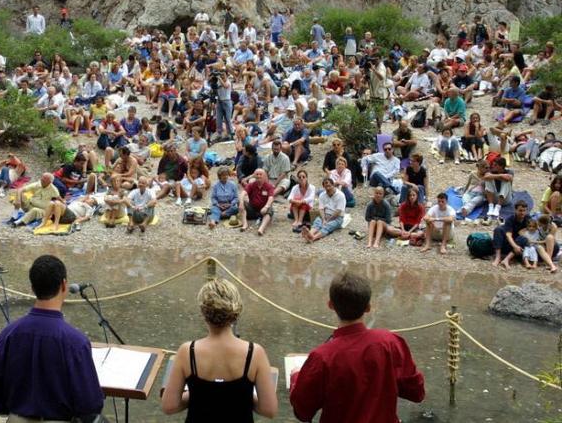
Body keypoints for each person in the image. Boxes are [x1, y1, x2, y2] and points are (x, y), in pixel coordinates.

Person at [0, 255, 104, 422]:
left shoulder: (9, 334)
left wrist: (15, 410)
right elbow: (90, 403)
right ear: (64, 285)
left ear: (32, 287)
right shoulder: (75, 342)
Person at [289, 272, 425, 422]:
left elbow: (302, 412)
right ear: (368, 308)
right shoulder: (391, 342)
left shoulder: (322, 357)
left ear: (330, 305)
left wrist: (296, 377)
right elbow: (416, 392)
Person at [161, 278, 278, 421]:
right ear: (236, 311)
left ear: (203, 312)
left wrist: (200, 393)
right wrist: (242, 395)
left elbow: (169, 406)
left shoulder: (187, 351)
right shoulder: (254, 353)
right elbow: (269, 410)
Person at [302, 178, 346, 244]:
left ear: (333, 185)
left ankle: (313, 238)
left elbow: (338, 211)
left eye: (329, 186)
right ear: (324, 187)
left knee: (327, 226)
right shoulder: (322, 195)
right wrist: (323, 219)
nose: (328, 188)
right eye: (326, 187)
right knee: (317, 222)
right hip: (325, 215)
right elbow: (321, 209)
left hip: (337, 217)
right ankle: (310, 233)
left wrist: (327, 220)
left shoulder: (340, 195)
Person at [492, 200, 531, 269]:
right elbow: (508, 235)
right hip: (509, 243)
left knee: (523, 238)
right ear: (515, 210)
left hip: (520, 245)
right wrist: (515, 246)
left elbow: (532, 231)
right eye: (520, 210)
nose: (522, 213)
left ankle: (506, 259)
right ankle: (498, 257)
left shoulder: (528, 219)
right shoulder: (510, 219)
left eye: (524, 211)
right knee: (498, 229)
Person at [239, 168, 275, 236]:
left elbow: (271, 198)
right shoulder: (251, 185)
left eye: (260, 174)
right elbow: (243, 193)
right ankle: (245, 224)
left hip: (263, 211)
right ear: (254, 176)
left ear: (264, 176)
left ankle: (261, 228)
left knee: (270, 208)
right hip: (252, 209)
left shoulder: (269, 186)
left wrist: (266, 206)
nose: (258, 176)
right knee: (241, 203)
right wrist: (241, 202)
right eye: (257, 174)